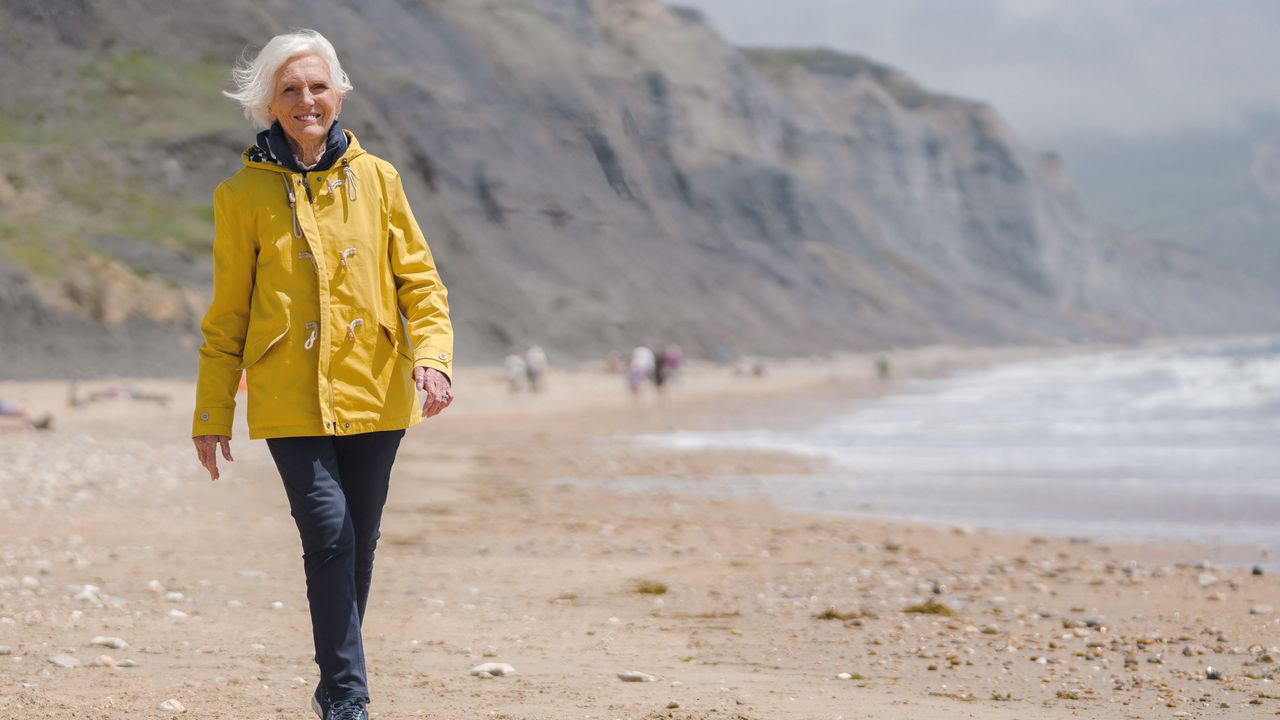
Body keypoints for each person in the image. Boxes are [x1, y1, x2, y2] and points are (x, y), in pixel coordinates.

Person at [190, 30, 453, 720]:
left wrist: (432, 358)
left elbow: (420, 284)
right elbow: (228, 317)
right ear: (268, 104)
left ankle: (337, 679)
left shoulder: (380, 180)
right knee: (329, 532)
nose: (306, 100)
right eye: (290, 89)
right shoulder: (240, 194)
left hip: (377, 390)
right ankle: (345, 695)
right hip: (287, 396)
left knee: (358, 543)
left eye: (317, 86)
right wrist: (213, 414)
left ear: (337, 92)